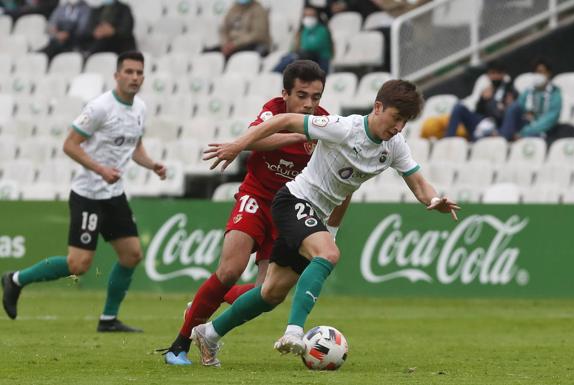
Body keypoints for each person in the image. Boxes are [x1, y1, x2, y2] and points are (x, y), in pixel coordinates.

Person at [192, 79, 460, 366]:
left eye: (405, 121)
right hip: (293, 200)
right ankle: (294, 333)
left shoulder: (394, 146)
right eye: (396, 118)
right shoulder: (344, 128)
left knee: (270, 293)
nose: (398, 127)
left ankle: (208, 333)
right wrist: (237, 146)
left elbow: (420, 185)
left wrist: (434, 201)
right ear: (378, 107)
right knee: (329, 253)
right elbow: (285, 119)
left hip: (314, 216)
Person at [161, 60, 351, 365]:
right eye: (302, 96)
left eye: (316, 97)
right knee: (229, 270)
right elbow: (257, 139)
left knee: (268, 293)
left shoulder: (327, 124)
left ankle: (203, 309)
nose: (309, 104)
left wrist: (331, 229)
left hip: (290, 209)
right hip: (256, 198)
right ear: (285, 93)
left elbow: (344, 179)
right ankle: (178, 346)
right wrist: (299, 134)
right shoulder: (273, 110)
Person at [1, 51, 167, 333]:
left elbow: (134, 147)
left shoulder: (140, 107)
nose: (135, 77)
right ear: (117, 75)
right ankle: (16, 279)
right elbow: (70, 144)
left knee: (132, 255)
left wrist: (152, 164)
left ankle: (108, 319)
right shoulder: (100, 107)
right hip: (88, 195)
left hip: (114, 195)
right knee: (78, 265)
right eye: (129, 72)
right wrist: (101, 169)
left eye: (139, 72)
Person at [445, 61, 517, 140]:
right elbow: (478, 110)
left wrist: (499, 103)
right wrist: (483, 99)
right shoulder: (486, 88)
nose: (495, 76)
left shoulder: (509, 89)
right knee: (458, 108)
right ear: (488, 75)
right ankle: (448, 140)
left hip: (497, 126)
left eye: (498, 73)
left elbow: (505, 116)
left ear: (503, 74)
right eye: (493, 73)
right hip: (481, 121)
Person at [499, 58, 562, 141]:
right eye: (536, 72)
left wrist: (524, 132)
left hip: (543, 130)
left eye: (541, 72)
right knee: (513, 108)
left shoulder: (555, 93)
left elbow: (550, 119)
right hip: (526, 125)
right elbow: (519, 107)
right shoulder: (529, 91)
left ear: (548, 73)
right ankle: (503, 138)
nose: (538, 75)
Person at [274, 6, 333, 74]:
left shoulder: (322, 30)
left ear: (317, 17)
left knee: (294, 58)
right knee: (287, 57)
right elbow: (293, 47)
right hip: (304, 59)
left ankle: (274, 74)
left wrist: (299, 50)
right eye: (306, 15)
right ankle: (274, 77)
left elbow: (314, 47)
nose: (308, 18)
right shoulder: (303, 30)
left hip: (320, 61)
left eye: (311, 15)